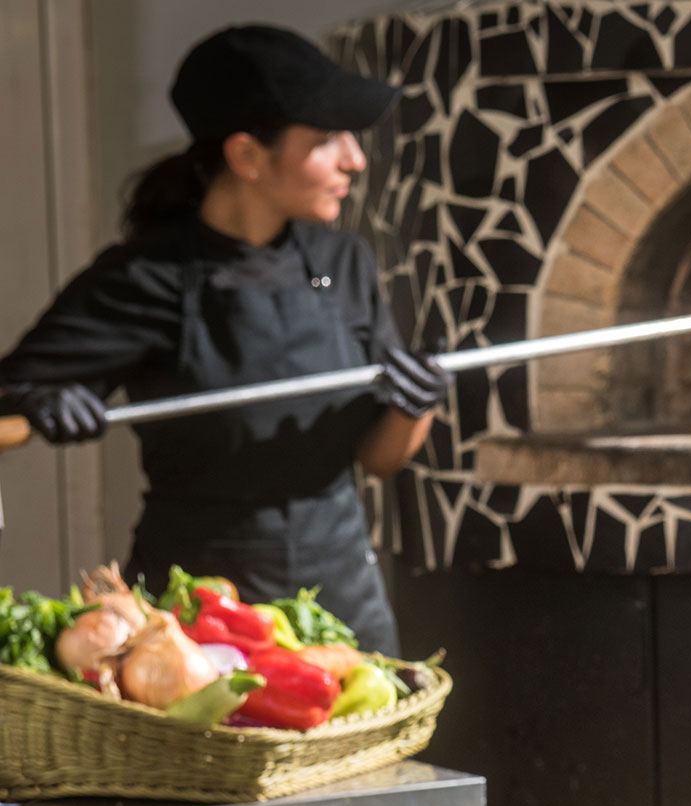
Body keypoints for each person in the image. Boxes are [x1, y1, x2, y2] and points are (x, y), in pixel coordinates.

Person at [0, 24, 448, 656]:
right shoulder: (145, 278)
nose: (356, 158)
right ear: (246, 157)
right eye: (326, 140)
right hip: (195, 620)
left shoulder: (335, 264)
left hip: (342, 601)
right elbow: (9, 401)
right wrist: (39, 402)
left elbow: (379, 461)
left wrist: (416, 404)